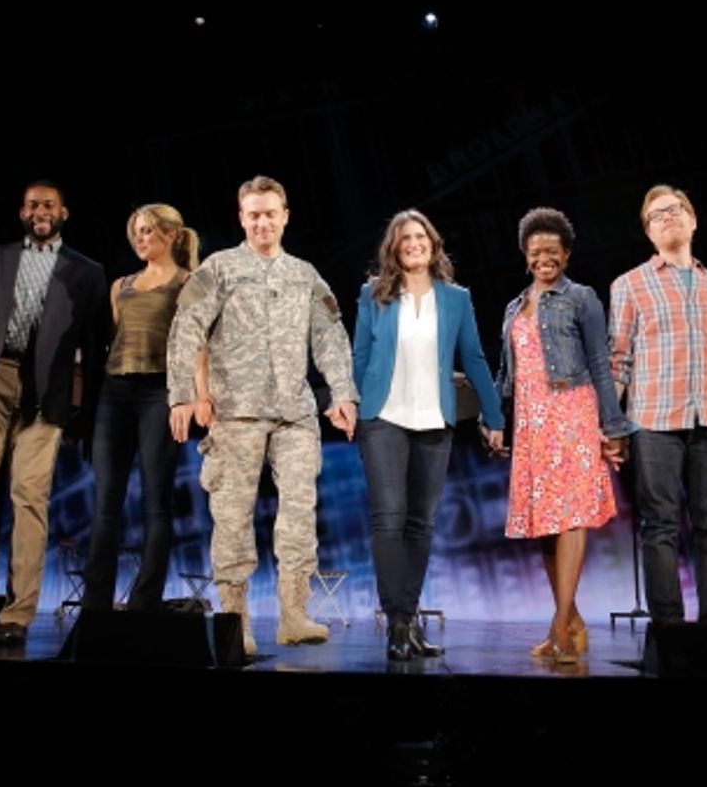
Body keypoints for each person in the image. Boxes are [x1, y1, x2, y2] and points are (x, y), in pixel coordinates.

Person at [167, 176, 357, 657]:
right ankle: (235, 622)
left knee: (299, 514)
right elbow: (186, 327)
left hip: (294, 412)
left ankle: (294, 615)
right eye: (253, 213)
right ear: (241, 218)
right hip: (236, 413)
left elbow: (330, 336)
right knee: (231, 516)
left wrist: (343, 393)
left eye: (270, 212)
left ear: (285, 215)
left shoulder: (304, 273)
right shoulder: (220, 268)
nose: (262, 221)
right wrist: (183, 396)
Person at [0, 181, 108, 645]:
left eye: (48, 204)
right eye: (32, 204)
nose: (40, 211)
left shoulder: (87, 272)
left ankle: (18, 613)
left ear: (63, 212)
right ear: (21, 212)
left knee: (30, 500)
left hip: (47, 391)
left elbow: (93, 348)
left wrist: (82, 413)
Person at [608, 184, 707, 625]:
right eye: (656, 215)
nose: (667, 218)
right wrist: (611, 424)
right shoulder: (630, 285)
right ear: (648, 233)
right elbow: (618, 361)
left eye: (675, 210)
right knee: (660, 526)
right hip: (653, 420)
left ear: (693, 220)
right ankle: (669, 627)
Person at [353, 209, 505, 661]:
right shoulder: (373, 294)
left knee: (421, 523)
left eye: (421, 236)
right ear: (394, 249)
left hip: (435, 419)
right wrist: (358, 405)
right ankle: (397, 622)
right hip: (383, 418)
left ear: (433, 244)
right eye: (405, 239)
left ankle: (409, 620)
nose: (414, 243)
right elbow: (360, 355)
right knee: (389, 517)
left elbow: (474, 358)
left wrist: (494, 416)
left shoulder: (455, 298)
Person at [499, 208, 636, 664]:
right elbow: (507, 374)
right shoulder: (514, 307)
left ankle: (559, 629)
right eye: (536, 251)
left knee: (571, 516)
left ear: (567, 254)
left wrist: (613, 428)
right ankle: (572, 620)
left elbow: (601, 363)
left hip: (572, 414)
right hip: (530, 424)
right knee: (543, 527)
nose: (544, 258)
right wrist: (494, 422)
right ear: (525, 256)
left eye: (552, 251)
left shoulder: (582, 299)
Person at [82, 204, 199, 612]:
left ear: (171, 235)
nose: (141, 238)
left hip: (159, 393)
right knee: (106, 500)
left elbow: (196, 345)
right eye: (136, 231)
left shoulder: (188, 282)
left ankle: (143, 601)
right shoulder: (122, 285)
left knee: (156, 501)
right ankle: (96, 604)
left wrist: (196, 397)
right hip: (114, 393)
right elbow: (111, 340)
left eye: (148, 230)